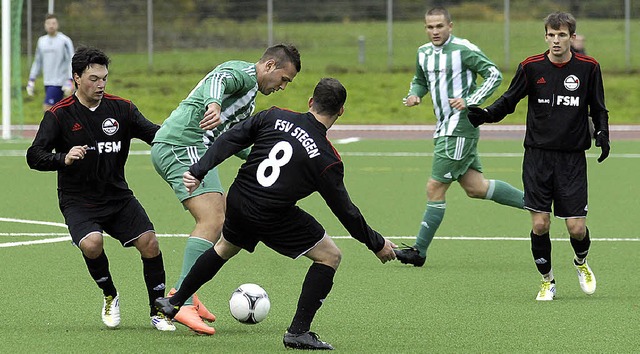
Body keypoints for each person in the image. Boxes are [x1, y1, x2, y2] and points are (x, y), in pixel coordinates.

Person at [154, 78, 397, 349]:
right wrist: (376, 243)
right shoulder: (328, 160)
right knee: (330, 256)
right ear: (341, 111)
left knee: (225, 247)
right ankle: (298, 332)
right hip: (270, 214)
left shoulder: (274, 115)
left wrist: (199, 170)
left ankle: (174, 301)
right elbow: (346, 212)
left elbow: (230, 138)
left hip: (239, 198)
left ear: (310, 102)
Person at [150, 43, 301, 335]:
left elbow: (234, 142)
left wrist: (266, 158)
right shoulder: (243, 74)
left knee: (223, 218)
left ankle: (187, 293)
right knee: (211, 219)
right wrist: (214, 104)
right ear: (269, 66)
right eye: (284, 79)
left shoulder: (249, 100)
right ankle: (181, 302)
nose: (283, 87)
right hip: (181, 144)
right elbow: (218, 79)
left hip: (196, 149)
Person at [26, 47, 175, 331]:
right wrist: (63, 158)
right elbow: (34, 155)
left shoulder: (122, 108)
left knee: (150, 243)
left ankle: (159, 310)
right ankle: (110, 295)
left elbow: (155, 134)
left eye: (104, 78)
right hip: (78, 199)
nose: (101, 85)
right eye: (94, 79)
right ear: (77, 78)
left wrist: (183, 128)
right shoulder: (59, 115)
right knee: (93, 244)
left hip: (118, 195)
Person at [467, 12, 609, 301]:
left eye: (562, 35)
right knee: (540, 224)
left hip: (571, 159)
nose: (556, 40)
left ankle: (580, 263)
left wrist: (603, 135)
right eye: (551, 35)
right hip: (537, 157)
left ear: (572, 37)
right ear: (545, 36)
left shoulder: (589, 67)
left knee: (576, 227)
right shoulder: (531, 67)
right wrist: (485, 115)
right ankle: (548, 281)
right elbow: (509, 100)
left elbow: (598, 107)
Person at [396, 6, 525, 267]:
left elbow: (493, 74)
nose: (434, 31)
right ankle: (536, 202)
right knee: (476, 188)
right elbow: (420, 79)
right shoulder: (423, 53)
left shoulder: (463, 49)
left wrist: (471, 101)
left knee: (434, 188)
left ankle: (418, 251)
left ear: (450, 26)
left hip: (460, 128)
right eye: (430, 27)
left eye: (439, 26)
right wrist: (415, 94)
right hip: (444, 127)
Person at [27, 13, 75, 111]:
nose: (51, 25)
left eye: (53, 23)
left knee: (48, 109)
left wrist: (70, 80)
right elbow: (37, 61)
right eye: (48, 23)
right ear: (45, 25)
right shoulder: (41, 41)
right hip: (47, 82)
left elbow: (71, 60)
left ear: (57, 25)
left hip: (60, 82)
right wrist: (32, 79)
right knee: (58, 111)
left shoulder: (65, 41)